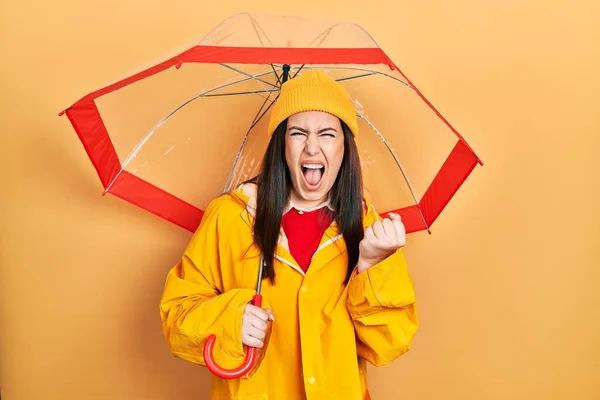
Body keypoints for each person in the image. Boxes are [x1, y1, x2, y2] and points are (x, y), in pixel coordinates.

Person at [159, 69, 419, 400]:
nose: (312, 148)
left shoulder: (366, 226)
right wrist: (229, 320)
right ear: (282, 144)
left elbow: (390, 342)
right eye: (298, 133)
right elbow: (176, 316)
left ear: (344, 147)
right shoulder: (230, 217)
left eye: (327, 134)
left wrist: (372, 264)